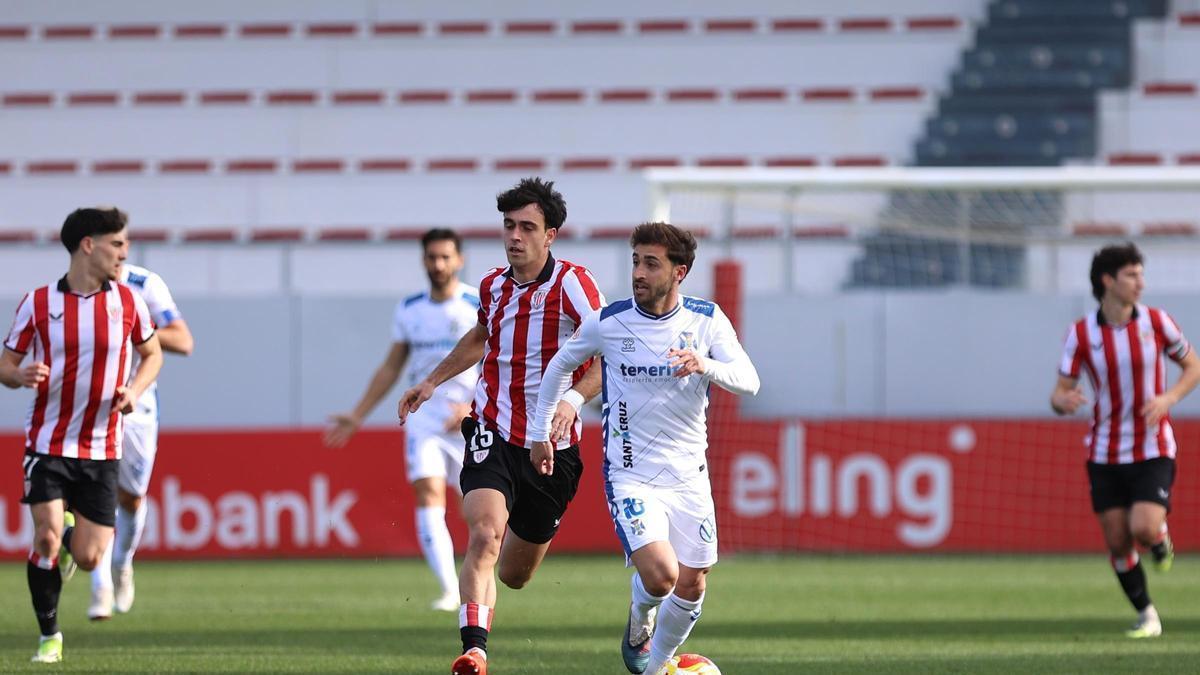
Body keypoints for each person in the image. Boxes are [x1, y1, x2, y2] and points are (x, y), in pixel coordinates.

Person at [529, 222, 760, 675]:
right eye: (636, 261)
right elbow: (558, 367)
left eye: (651, 264)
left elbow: (749, 381)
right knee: (661, 575)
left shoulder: (707, 320)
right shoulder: (609, 322)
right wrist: (541, 432)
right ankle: (642, 617)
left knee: (692, 585)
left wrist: (705, 364)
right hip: (631, 474)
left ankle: (654, 668)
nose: (638, 272)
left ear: (679, 272)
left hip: (690, 477)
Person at [396, 178, 605, 675]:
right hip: (491, 428)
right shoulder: (492, 286)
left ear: (550, 235)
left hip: (552, 447)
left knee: (513, 573)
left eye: (527, 227)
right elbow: (481, 336)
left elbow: (609, 352)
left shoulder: (574, 285)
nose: (514, 236)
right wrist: (431, 382)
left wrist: (573, 400)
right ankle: (475, 650)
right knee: (484, 534)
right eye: (509, 225)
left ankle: (498, 585)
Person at [0, 207, 162, 663]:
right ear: (88, 245)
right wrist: (19, 376)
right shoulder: (37, 303)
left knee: (91, 558)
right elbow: (5, 365)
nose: (124, 253)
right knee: (45, 539)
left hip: (102, 447)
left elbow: (152, 355)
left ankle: (74, 541)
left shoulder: (128, 302)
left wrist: (134, 390)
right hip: (47, 443)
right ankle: (49, 637)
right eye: (117, 244)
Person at [325, 228, 479, 612]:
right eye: (432, 257)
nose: (438, 264)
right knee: (428, 493)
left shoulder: (477, 303)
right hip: (424, 417)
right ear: (423, 260)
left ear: (459, 260)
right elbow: (392, 366)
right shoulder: (410, 309)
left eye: (445, 257)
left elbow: (497, 360)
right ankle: (450, 590)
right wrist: (358, 414)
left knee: (476, 507)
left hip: (471, 419)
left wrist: (473, 406)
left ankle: (478, 582)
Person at [1051, 242, 1199, 639]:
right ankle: (1147, 614)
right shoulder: (1081, 333)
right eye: (1132, 275)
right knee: (1117, 541)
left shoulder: (1157, 322)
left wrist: (1168, 398)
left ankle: (1159, 539)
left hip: (1152, 446)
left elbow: (1193, 366)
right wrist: (1063, 402)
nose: (1140, 283)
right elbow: (1059, 391)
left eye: (1140, 274)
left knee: (1144, 528)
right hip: (1103, 451)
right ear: (1107, 281)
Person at [88, 260, 194, 620]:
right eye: (112, 242)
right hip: (90, 404)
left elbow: (183, 340)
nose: (119, 251)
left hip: (138, 403)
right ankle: (100, 585)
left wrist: (132, 327)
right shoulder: (72, 289)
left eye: (122, 243)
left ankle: (122, 562)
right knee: (97, 491)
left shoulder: (144, 284)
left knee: (130, 498)